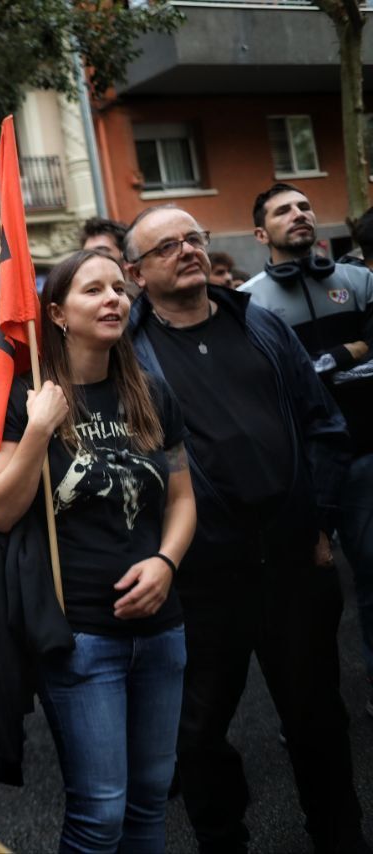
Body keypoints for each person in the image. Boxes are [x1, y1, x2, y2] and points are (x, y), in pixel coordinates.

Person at [124, 203, 366, 852]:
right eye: (167, 247)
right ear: (136, 274)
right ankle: (224, 841)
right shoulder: (128, 356)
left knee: (317, 716)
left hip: (292, 560)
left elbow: (323, 424)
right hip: (202, 579)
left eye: (193, 239)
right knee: (200, 734)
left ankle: (340, 836)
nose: (187, 251)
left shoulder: (259, 325)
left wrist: (321, 522)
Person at [0, 250, 196, 851]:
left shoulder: (149, 391)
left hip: (161, 631)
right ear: (56, 313)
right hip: (80, 638)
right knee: (101, 813)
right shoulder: (25, 397)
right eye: (94, 290)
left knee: (151, 799)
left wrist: (166, 562)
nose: (114, 300)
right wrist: (41, 428)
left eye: (120, 289)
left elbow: (181, 499)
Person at [240, 182, 373, 719]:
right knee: (305, 597)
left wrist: (337, 353)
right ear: (260, 233)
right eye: (282, 210)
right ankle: (314, 711)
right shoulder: (247, 300)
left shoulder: (360, 281)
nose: (298, 214)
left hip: (365, 455)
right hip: (298, 472)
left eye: (304, 206)